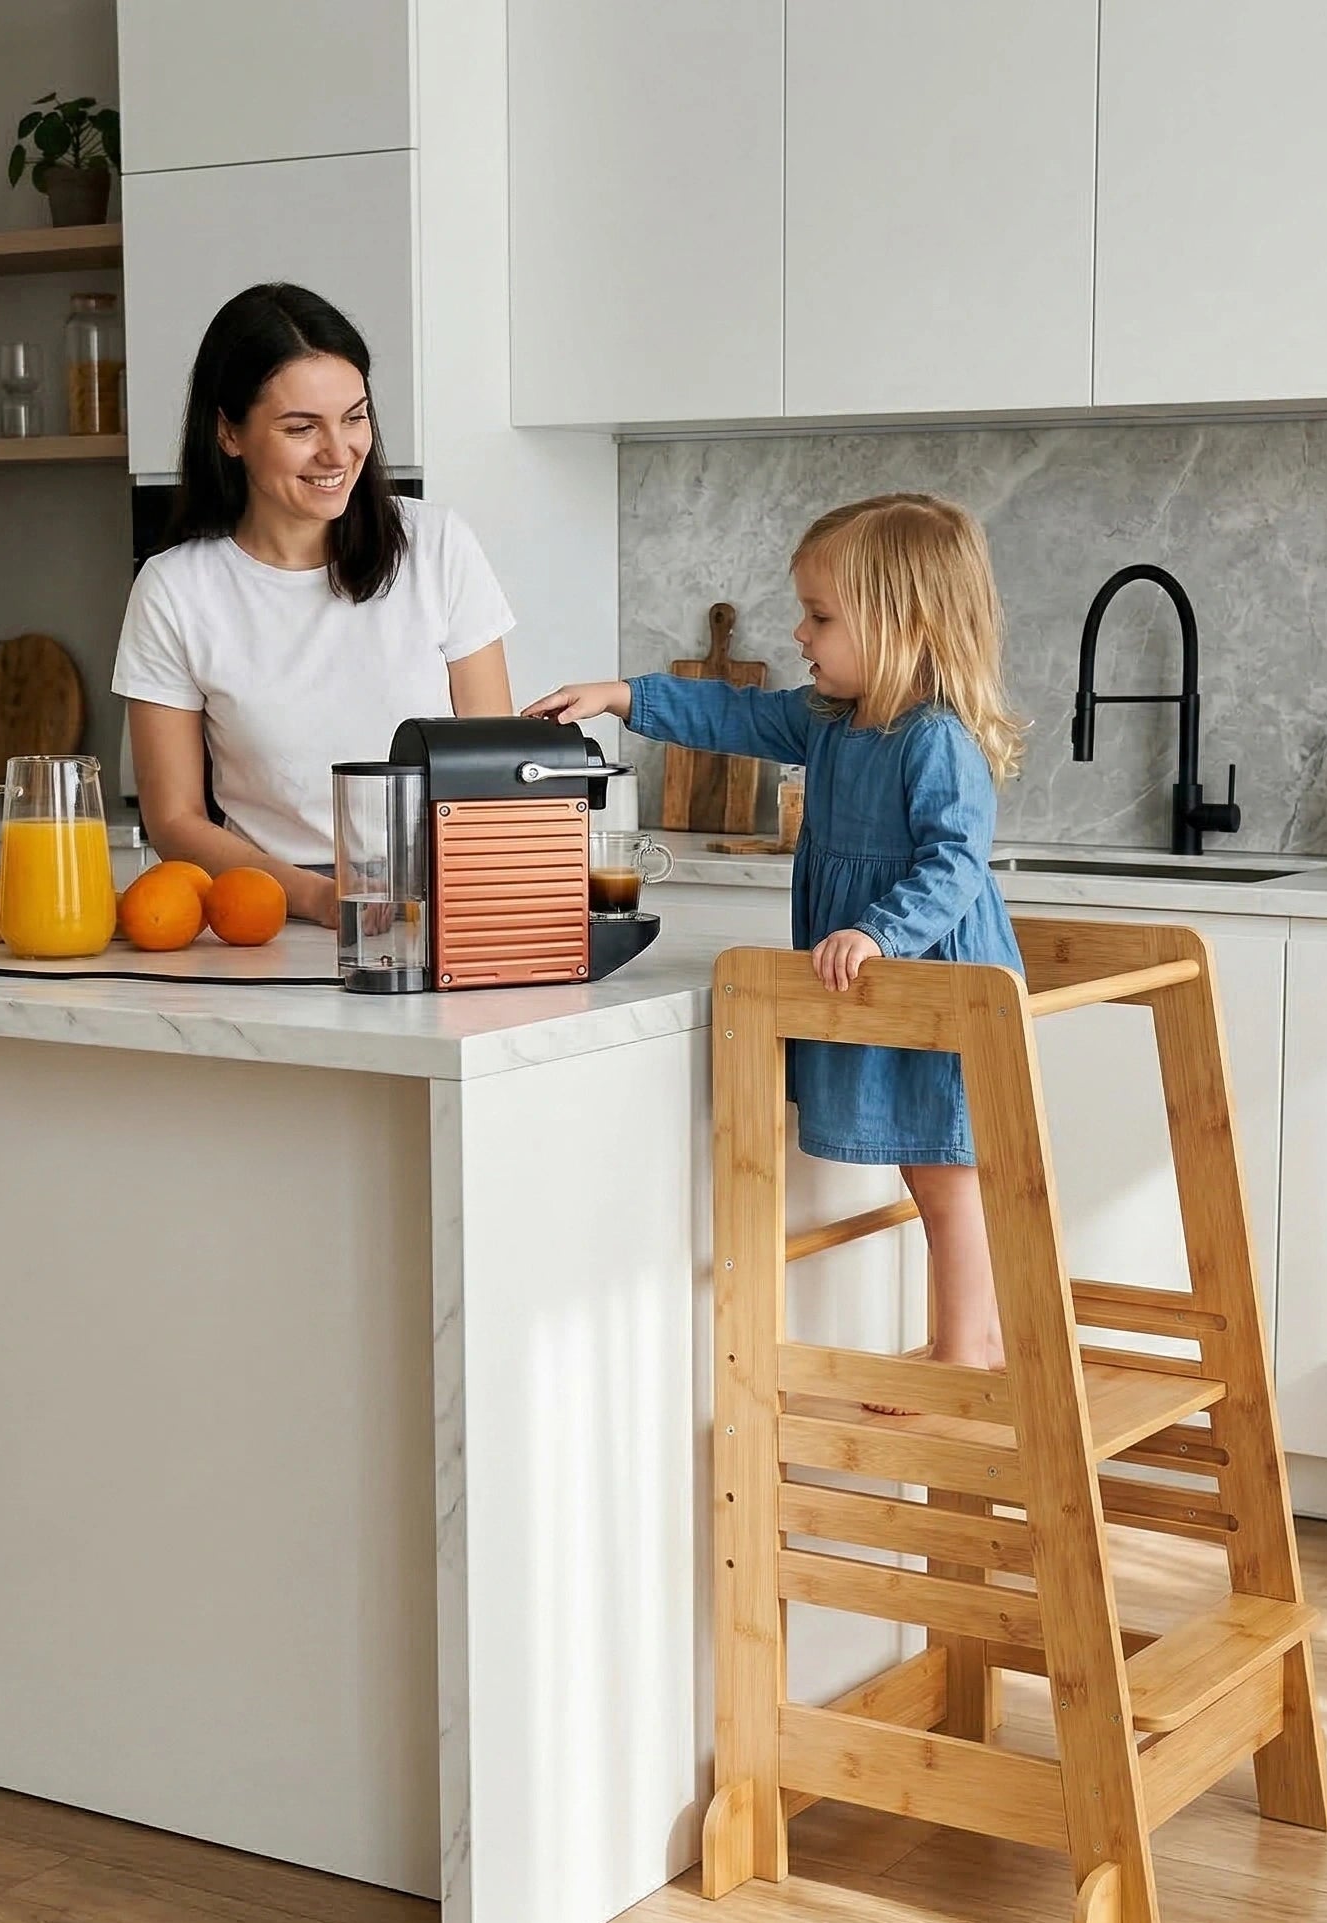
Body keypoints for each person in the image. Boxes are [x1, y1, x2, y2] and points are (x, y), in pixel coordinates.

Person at [525, 492, 1026, 1377]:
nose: (800, 634)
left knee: (947, 1169)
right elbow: (728, 714)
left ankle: (969, 1346)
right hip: (881, 979)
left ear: (902, 624)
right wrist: (619, 697)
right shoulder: (828, 721)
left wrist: (878, 930)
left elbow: (955, 864)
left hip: (936, 981)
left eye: (821, 616)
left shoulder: (936, 738)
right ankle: (967, 1340)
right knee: (922, 1164)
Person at [112, 283, 515, 926]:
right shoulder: (174, 590)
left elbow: (496, 771)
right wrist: (317, 898)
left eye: (354, 417)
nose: (338, 451)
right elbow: (174, 820)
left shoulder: (436, 546)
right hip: (266, 916)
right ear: (228, 432)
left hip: (443, 907)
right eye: (302, 428)